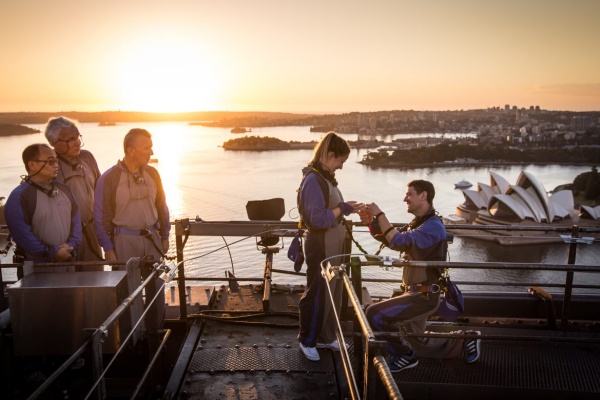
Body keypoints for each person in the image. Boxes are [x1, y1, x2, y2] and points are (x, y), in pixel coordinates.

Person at [360, 179, 481, 371]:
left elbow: (398, 241)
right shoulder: (420, 223)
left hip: (423, 296)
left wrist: (380, 214)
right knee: (417, 341)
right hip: (416, 292)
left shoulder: (432, 227)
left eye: (409, 194)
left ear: (423, 196)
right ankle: (465, 340)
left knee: (376, 314)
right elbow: (390, 238)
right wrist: (371, 223)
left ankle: (404, 356)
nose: (405, 199)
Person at [296, 132, 363, 361]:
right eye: (340, 161)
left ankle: (326, 335)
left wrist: (346, 208)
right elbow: (317, 218)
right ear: (330, 155)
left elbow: (331, 212)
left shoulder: (325, 178)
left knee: (332, 292)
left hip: (332, 244)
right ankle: (307, 340)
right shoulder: (313, 180)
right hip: (320, 245)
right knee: (317, 293)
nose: (341, 167)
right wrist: (343, 208)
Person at [94, 128, 170, 322]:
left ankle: (157, 330)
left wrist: (165, 235)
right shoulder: (109, 178)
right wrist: (108, 249)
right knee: (126, 294)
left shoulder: (153, 173)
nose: (151, 152)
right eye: (147, 148)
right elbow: (100, 218)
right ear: (130, 150)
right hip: (124, 241)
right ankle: (131, 336)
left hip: (152, 239)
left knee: (157, 288)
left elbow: (162, 206)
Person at [4, 144, 81, 264]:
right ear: (32, 165)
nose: (56, 165)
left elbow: (76, 222)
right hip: (35, 269)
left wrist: (70, 246)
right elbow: (23, 235)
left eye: (56, 161)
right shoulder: (19, 197)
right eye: (51, 161)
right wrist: (53, 253)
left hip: (67, 261)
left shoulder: (65, 189)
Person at [44, 116, 103, 267]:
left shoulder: (87, 157)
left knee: (95, 282)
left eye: (77, 137)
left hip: (91, 233)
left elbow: (101, 192)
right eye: (70, 139)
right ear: (54, 143)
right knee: (68, 285)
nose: (77, 142)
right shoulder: (47, 164)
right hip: (63, 238)